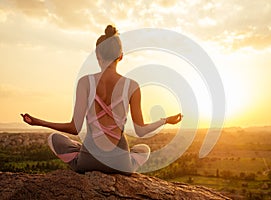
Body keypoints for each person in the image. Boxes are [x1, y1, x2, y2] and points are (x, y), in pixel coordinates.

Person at [21, 25, 182, 174]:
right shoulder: (132, 86)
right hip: (121, 166)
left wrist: (39, 122)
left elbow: (74, 128)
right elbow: (141, 131)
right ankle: (126, 163)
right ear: (121, 56)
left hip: (87, 163)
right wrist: (165, 120)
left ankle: (80, 153)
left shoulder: (85, 82)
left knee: (53, 139)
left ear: (97, 54)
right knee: (143, 149)